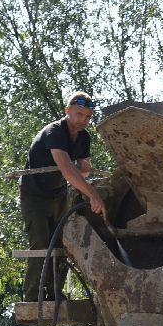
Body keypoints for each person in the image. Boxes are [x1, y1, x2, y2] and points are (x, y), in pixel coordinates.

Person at [21, 92, 107, 301]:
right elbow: (69, 171)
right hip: (35, 195)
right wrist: (93, 195)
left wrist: (79, 170)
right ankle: (33, 297)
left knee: (61, 245)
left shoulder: (84, 136)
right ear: (67, 111)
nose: (83, 120)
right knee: (42, 245)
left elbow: (85, 168)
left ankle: (55, 295)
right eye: (79, 114)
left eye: (87, 116)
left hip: (58, 195)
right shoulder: (54, 132)